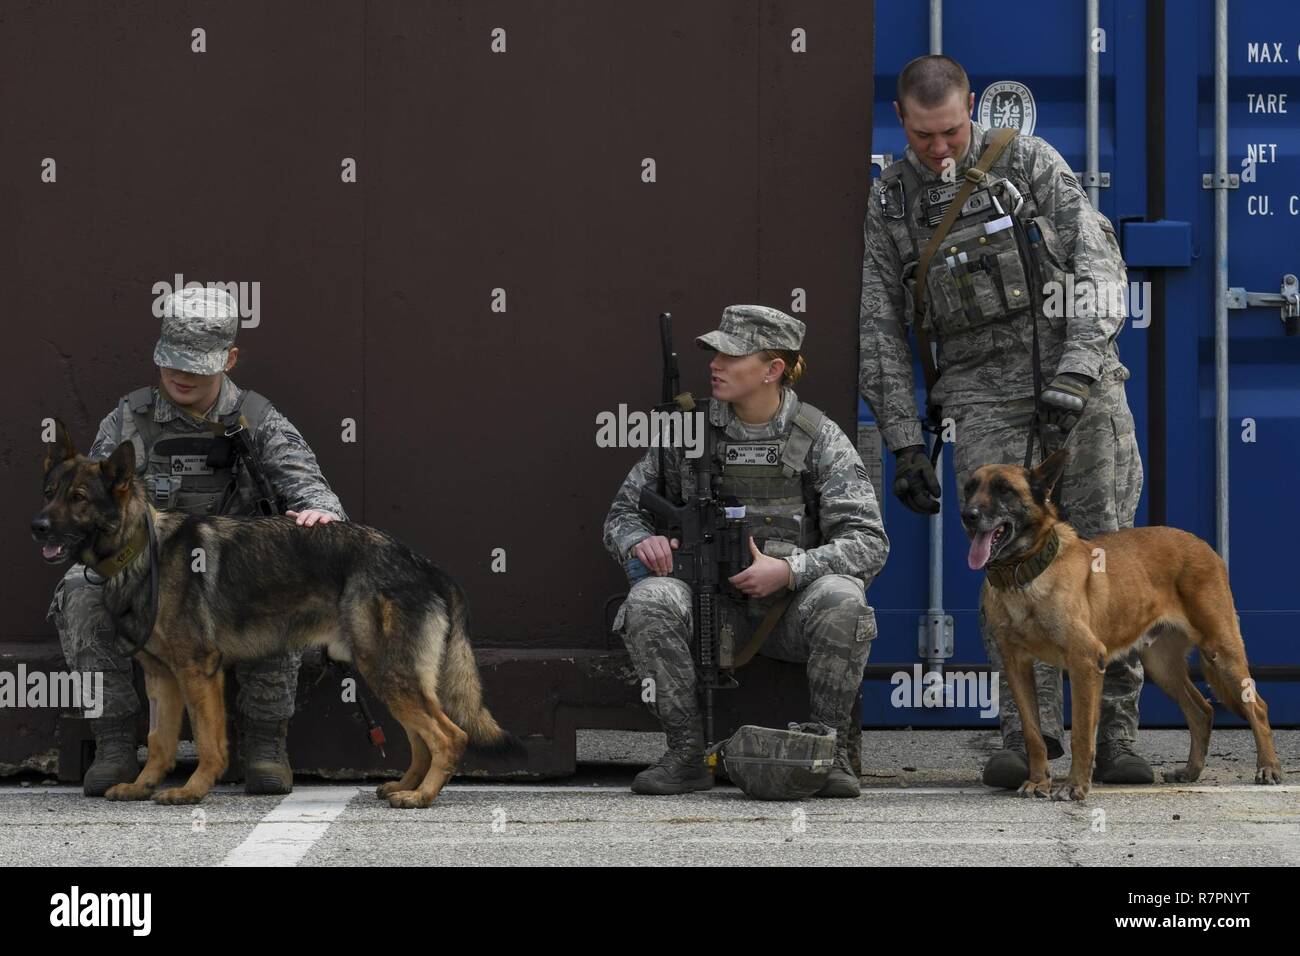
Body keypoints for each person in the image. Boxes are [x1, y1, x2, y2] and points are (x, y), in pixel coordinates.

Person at [858, 54, 1152, 787]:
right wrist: (903, 440)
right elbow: (880, 326)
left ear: (972, 111)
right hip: (982, 398)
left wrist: (1078, 372)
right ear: (901, 121)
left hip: (1074, 386)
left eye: (952, 130)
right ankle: (1031, 743)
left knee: (1106, 558)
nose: (940, 149)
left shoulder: (1028, 162)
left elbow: (1099, 265)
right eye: (924, 136)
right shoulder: (891, 202)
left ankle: (1112, 736)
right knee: (1006, 573)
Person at [46, 286, 347, 796]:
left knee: (279, 588)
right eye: (172, 364)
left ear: (228, 359)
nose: (181, 376)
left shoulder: (255, 417)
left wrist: (322, 512)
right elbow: (89, 497)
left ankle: (266, 744)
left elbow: (310, 486)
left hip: (232, 577)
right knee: (80, 592)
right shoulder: (130, 418)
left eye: (196, 366)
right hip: (141, 570)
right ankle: (115, 742)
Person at [603, 305, 889, 797]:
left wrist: (790, 570)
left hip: (787, 615)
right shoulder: (688, 431)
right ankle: (686, 754)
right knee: (649, 601)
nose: (715, 364)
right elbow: (621, 516)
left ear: (772, 369)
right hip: (706, 609)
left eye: (731, 355)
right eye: (713, 353)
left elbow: (868, 542)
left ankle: (828, 753)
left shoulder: (818, 437)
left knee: (844, 599)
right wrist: (639, 539)